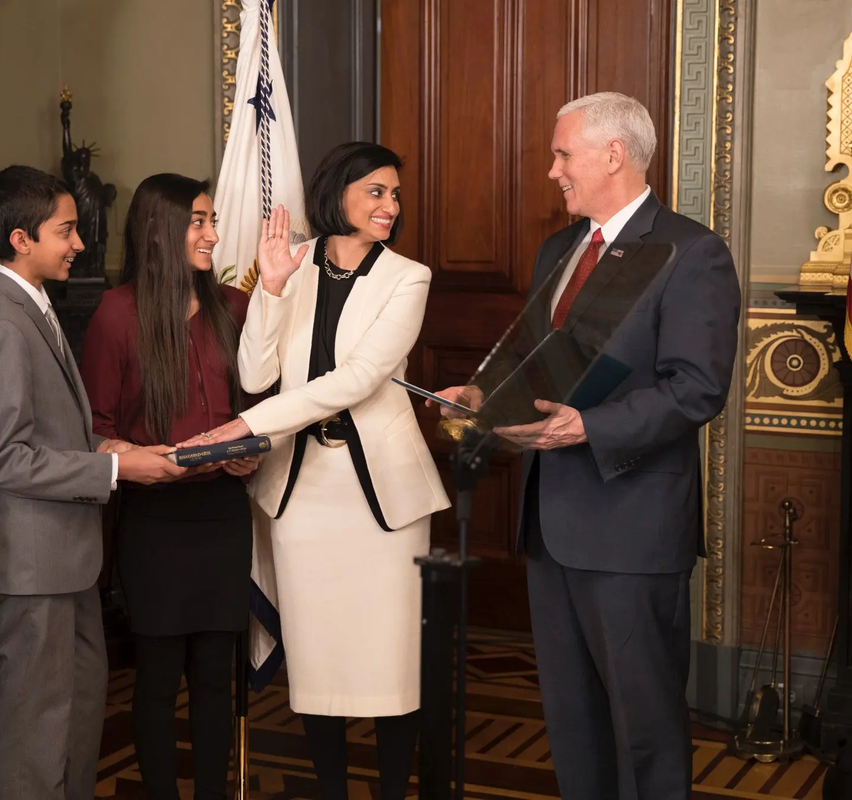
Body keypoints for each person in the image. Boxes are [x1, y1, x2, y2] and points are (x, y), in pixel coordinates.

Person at [436, 92, 740, 799]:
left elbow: (696, 388)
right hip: (551, 524)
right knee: (573, 724)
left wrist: (588, 428)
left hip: (633, 529)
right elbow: (541, 368)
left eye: (562, 154)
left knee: (645, 729)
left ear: (614, 154)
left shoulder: (692, 253)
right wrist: (486, 399)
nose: (552, 172)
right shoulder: (557, 250)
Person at [184, 142, 451, 800]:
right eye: (376, 192)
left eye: (394, 194)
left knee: (394, 671)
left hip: (383, 498)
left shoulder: (408, 277)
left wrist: (252, 424)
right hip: (301, 499)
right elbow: (253, 373)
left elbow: (358, 380)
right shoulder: (291, 265)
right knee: (319, 670)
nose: (390, 206)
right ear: (339, 194)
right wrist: (270, 290)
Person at [0, 165, 186, 800]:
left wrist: (104, 446)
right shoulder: (3, 324)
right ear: (20, 238)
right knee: (37, 730)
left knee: (79, 714)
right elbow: (4, 456)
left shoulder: (33, 305)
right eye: (66, 231)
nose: (82, 243)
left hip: (68, 560)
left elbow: (46, 434)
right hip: (34, 568)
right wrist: (115, 468)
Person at [81, 173, 259, 800]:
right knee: (156, 682)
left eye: (212, 221)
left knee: (216, 677)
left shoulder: (236, 308)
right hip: (154, 521)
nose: (214, 234)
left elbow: (261, 409)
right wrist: (144, 457)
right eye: (200, 222)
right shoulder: (115, 313)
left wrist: (249, 456)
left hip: (224, 516)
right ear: (161, 230)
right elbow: (95, 432)